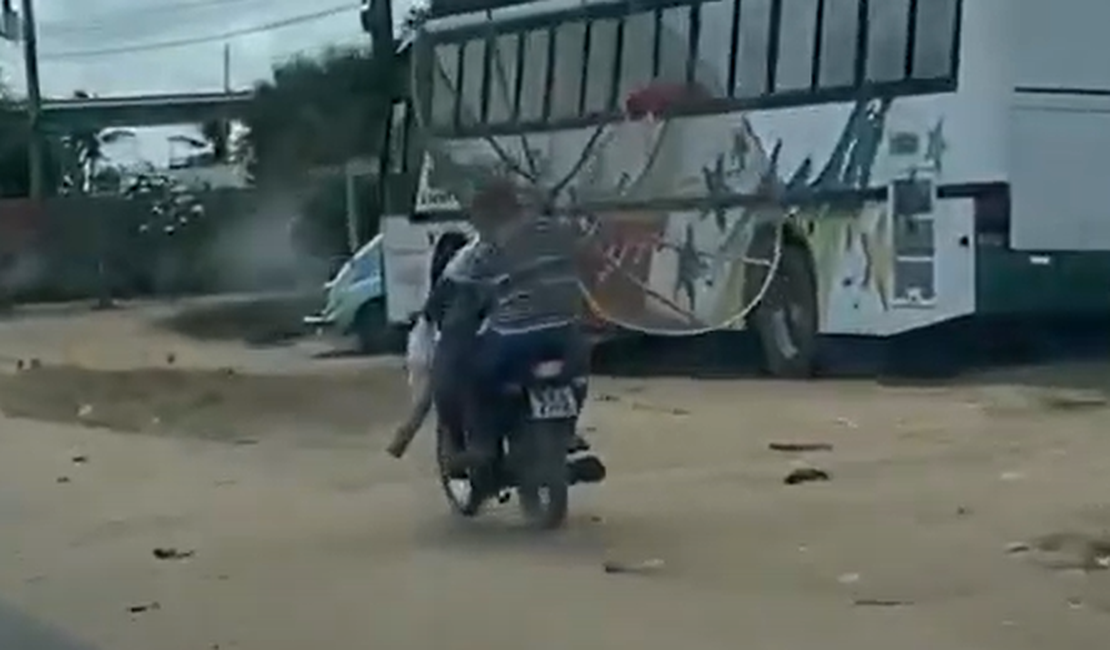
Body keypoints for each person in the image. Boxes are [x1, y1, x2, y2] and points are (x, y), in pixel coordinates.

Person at [453, 179, 591, 467]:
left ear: (490, 215)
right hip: (567, 332)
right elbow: (582, 249)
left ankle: (483, 444)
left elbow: (465, 282)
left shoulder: (492, 246)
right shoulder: (559, 230)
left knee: (476, 376)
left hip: (516, 337)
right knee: (576, 376)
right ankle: (567, 430)